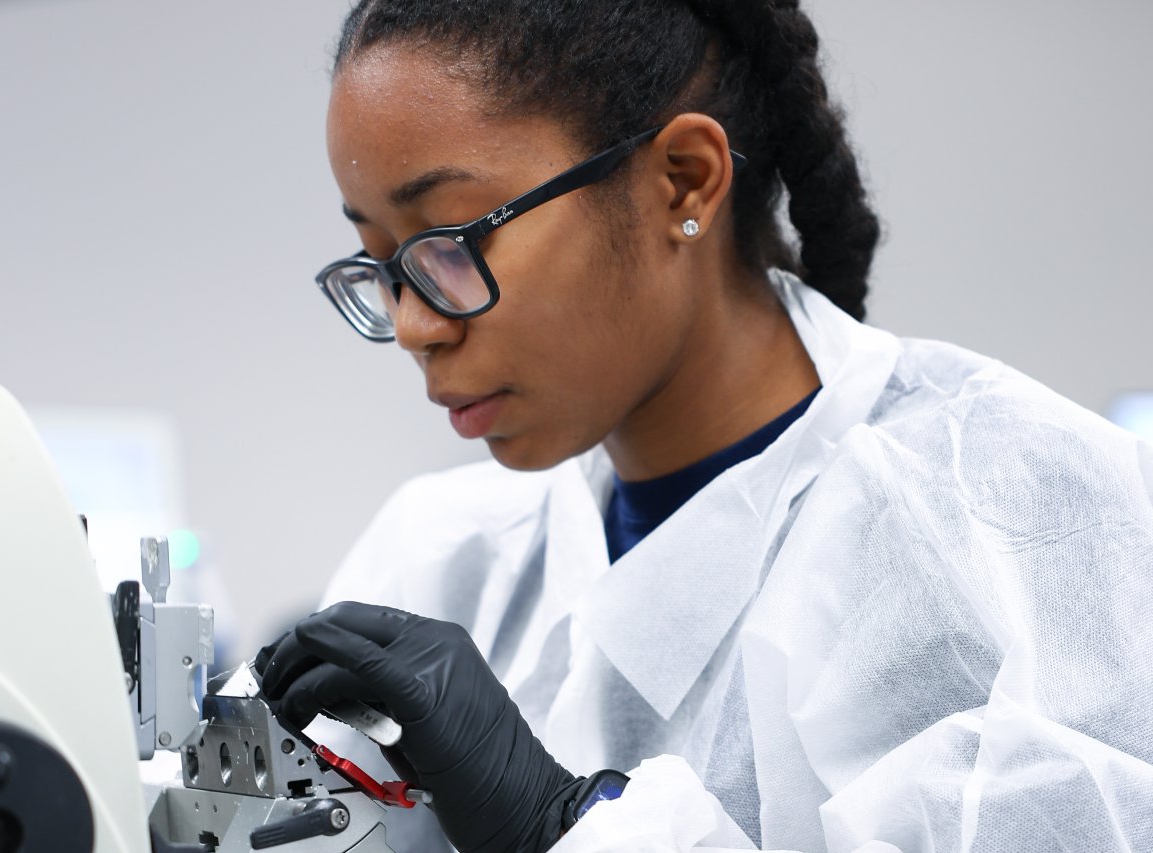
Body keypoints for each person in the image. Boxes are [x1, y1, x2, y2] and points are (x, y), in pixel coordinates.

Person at [256, 1, 1153, 851]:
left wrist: (561, 823)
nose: (414, 325)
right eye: (380, 264)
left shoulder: (1014, 517)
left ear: (683, 179)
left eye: (452, 241)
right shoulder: (445, 556)